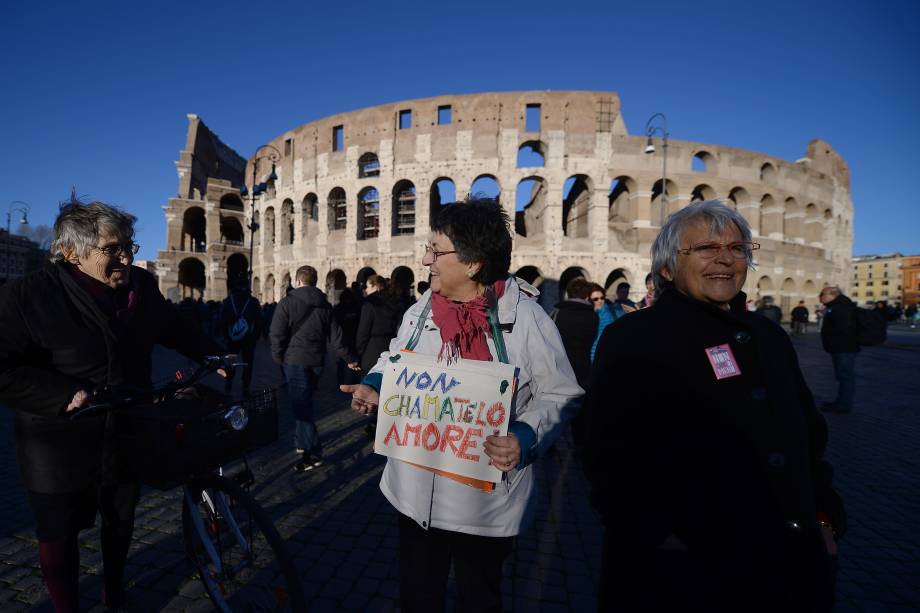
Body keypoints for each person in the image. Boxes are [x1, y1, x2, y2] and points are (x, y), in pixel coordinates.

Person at [583, 200, 845, 612]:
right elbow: (604, 448)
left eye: (737, 248)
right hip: (683, 573)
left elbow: (808, 436)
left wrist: (824, 518)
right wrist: (655, 531)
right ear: (668, 268)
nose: (725, 259)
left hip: (785, 564)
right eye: (705, 248)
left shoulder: (768, 336)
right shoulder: (635, 338)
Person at [341, 198, 582, 612]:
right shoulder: (420, 311)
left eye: (435, 250)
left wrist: (525, 436)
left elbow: (561, 393)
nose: (425, 259)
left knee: (480, 598)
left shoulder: (527, 318)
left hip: (484, 505)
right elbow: (395, 357)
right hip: (415, 496)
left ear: (472, 263)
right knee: (418, 597)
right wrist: (375, 384)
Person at [0, 198, 225, 611]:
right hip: (57, 439)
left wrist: (210, 354)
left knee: (121, 518)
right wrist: (60, 394)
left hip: (125, 425)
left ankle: (114, 591)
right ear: (71, 252)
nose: (125, 257)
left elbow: (171, 327)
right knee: (59, 531)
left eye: (129, 247)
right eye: (113, 249)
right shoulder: (27, 296)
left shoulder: (140, 288)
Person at [270, 265, 359, 471]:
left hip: (294, 360)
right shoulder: (325, 306)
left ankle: (313, 453)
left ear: (298, 281)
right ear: (315, 281)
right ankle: (302, 443)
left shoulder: (287, 303)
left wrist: (278, 358)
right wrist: (350, 358)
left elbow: (276, 334)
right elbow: (337, 338)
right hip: (317, 362)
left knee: (303, 408)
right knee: (303, 403)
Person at [219, 276, 263, 397]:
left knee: (230, 362)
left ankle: (228, 384)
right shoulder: (253, 301)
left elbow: (222, 321)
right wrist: (256, 337)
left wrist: (226, 336)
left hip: (232, 338)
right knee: (248, 363)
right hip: (248, 338)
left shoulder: (228, 301)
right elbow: (259, 321)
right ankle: (246, 387)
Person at [818, 286, 859, 414]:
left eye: (823, 294)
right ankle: (841, 402)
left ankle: (843, 405)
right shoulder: (837, 306)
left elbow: (843, 328)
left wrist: (830, 336)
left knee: (845, 376)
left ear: (833, 295)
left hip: (844, 348)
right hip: (842, 347)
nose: (820, 296)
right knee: (843, 376)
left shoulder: (840, 307)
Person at [589, 283, 616, 362]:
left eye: (602, 298)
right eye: (596, 299)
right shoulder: (588, 316)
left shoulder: (613, 311)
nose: (600, 301)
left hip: (610, 356)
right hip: (592, 358)